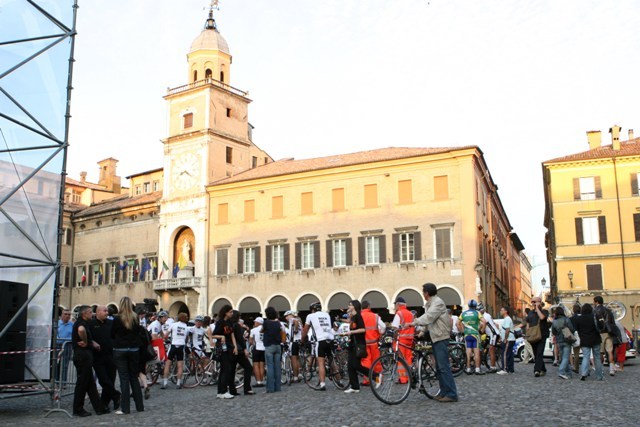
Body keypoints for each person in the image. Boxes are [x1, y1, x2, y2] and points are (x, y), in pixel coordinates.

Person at [411, 283, 458, 402]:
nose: (422, 294)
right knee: (439, 367)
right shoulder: (431, 303)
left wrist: (414, 322)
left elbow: (429, 317)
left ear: (427, 293)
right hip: (436, 336)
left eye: (423, 292)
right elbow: (431, 321)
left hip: (441, 337)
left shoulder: (437, 302)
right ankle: (443, 392)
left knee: (443, 366)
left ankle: (451, 394)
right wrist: (422, 331)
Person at [71, 305, 108, 417]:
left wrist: (91, 343)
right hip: (82, 355)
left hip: (85, 355)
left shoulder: (83, 322)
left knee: (89, 382)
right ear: (84, 314)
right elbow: (81, 330)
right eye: (90, 312)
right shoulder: (81, 323)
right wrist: (86, 341)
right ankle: (78, 408)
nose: (91, 314)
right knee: (82, 383)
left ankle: (99, 407)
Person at [111, 297, 144, 415]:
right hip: (134, 349)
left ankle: (125, 408)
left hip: (120, 349)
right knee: (134, 377)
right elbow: (137, 332)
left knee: (124, 379)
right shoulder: (135, 318)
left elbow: (112, 334)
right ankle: (140, 406)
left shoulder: (117, 319)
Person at [90, 305, 120, 411]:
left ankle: (105, 403)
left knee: (110, 380)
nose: (107, 313)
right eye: (104, 311)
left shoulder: (111, 323)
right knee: (103, 380)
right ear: (97, 312)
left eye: (107, 311)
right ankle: (116, 395)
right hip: (98, 357)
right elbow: (88, 338)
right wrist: (92, 343)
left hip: (111, 355)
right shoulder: (91, 324)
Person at [302, 302, 333, 391]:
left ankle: (322, 384)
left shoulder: (310, 316)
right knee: (332, 360)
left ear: (312, 310)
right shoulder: (327, 314)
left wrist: (302, 339)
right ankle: (339, 381)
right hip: (330, 339)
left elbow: (305, 330)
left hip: (320, 340)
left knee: (321, 363)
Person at [342, 300, 370, 393]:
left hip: (358, 343)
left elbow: (363, 329)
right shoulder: (353, 317)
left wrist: (351, 332)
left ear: (354, 306)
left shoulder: (358, 316)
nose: (348, 306)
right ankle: (355, 387)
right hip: (353, 343)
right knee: (350, 366)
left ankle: (376, 376)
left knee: (356, 366)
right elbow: (350, 323)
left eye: (350, 305)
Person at [573, 303, 603, 381]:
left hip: (584, 340)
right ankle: (599, 375)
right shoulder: (594, 317)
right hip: (595, 339)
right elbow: (601, 326)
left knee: (586, 357)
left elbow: (574, 329)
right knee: (597, 358)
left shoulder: (579, 319)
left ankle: (583, 373)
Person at [520, 297, 549, 377]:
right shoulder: (531, 313)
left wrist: (537, 308)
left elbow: (542, 317)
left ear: (539, 302)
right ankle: (543, 369)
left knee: (540, 352)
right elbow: (528, 323)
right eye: (532, 302)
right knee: (536, 353)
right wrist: (527, 333)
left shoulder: (544, 311)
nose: (533, 303)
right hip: (533, 335)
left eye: (534, 302)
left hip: (542, 335)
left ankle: (536, 370)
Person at [211, 305, 236, 399]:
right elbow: (213, 335)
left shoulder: (229, 322)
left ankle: (221, 391)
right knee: (225, 369)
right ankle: (223, 391)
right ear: (225, 312)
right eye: (230, 312)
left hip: (229, 347)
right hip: (222, 348)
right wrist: (221, 336)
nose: (232, 314)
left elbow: (232, 334)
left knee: (225, 369)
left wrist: (235, 346)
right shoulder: (220, 322)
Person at [359, 300, 385, 386]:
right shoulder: (375, 316)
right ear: (369, 307)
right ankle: (378, 379)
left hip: (364, 343)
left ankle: (367, 380)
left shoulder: (359, 316)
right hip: (374, 343)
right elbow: (383, 326)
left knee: (366, 362)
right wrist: (380, 333)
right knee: (376, 362)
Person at [458, 299, 487, 375]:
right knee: (476, 352)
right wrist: (482, 330)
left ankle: (468, 369)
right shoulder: (477, 313)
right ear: (475, 306)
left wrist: (462, 330)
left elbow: (457, 323)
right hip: (475, 334)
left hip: (467, 335)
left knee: (468, 353)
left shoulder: (463, 313)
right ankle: (477, 369)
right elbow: (484, 321)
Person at [230, 310, 255, 395]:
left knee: (232, 370)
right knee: (248, 367)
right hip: (239, 350)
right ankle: (247, 388)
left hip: (231, 350)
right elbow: (240, 339)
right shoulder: (236, 326)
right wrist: (245, 349)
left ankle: (232, 390)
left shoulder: (229, 325)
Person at [162, 312, 189, 389]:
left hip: (173, 345)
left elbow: (166, 335)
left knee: (168, 364)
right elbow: (187, 338)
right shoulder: (186, 327)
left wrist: (165, 339)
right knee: (180, 366)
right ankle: (178, 383)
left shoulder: (173, 325)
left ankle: (165, 383)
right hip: (181, 346)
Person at [391, 297, 415, 383]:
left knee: (400, 360)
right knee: (408, 359)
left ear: (398, 304)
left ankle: (403, 379)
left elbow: (395, 328)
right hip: (410, 339)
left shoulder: (399, 313)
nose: (394, 306)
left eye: (395, 304)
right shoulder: (410, 314)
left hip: (401, 339)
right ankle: (409, 377)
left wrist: (394, 340)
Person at [593, 296, 618, 376]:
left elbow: (595, 323)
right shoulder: (609, 311)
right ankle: (612, 369)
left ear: (596, 302)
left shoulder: (595, 311)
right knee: (610, 351)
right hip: (608, 332)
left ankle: (601, 370)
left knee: (600, 352)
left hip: (600, 333)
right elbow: (613, 323)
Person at [263, 306, 283, 393]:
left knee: (270, 367)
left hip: (269, 346)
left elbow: (262, 330)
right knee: (277, 367)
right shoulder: (278, 323)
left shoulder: (266, 323)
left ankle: (270, 388)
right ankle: (278, 387)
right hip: (278, 346)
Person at [551, 306, 574, 379]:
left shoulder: (554, 321)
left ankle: (568, 373)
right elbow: (572, 329)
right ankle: (561, 371)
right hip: (567, 339)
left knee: (563, 357)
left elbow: (553, 332)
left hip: (559, 341)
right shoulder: (566, 319)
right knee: (566, 357)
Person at [477, 303, 499, 373]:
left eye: (479, 310)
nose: (479, 312)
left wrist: (479, 331)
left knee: (491, 350)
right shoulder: (483, 316)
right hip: (490, 335)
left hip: (493, 334)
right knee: (482, 349)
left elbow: (482, 326)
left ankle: (493, 367)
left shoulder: (486, 316)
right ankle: (479, 364)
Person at [284, 310, 303, 382]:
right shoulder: (299, 320)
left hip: (294, 342)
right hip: (299, 341)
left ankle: (295, 376)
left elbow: (295, 322)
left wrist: (295, 329)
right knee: (297, 358)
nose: (286, 318)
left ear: (290, 315)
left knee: (293, 359)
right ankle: (299, 374)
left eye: (287, 316)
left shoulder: (293, 319)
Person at [56, 309, 73, 383]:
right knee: (56, 364)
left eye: (69, 314)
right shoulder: (57, 324)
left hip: (67, 345)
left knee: (65, 364)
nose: (67, 316)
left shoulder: (72, 324)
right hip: (57, 345)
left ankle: (64, 382)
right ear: (61, 315)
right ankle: (56, 381)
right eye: (65, 314)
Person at [497, 306, 515, 375]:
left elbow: (507, 329)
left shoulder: (507, 319)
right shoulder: (507, 319)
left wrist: (505, 338)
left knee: (505, 354)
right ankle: (510, 369)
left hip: (508, 339)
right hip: (510, 339)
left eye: (502, 310)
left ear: (506, 311)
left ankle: (505, 369)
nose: (500, 311)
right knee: (509, 354)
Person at [250, 317, 266, 387]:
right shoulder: (265, 329)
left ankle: (258, 381)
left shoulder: (253, 330)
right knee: (262, 365)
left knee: (256, 365)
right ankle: (262, 381)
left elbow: (250, 341)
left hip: (256, 348)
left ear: (258, 322)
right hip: (264, 348)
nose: (254, 323)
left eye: (255, 322)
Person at [570, 304, 581, 374]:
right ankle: (586, 369)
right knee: (586, 354)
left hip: (575, 335)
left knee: (576, 353)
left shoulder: (571, 318)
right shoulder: (583, 317)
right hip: (583, 335)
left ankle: (576, 367)